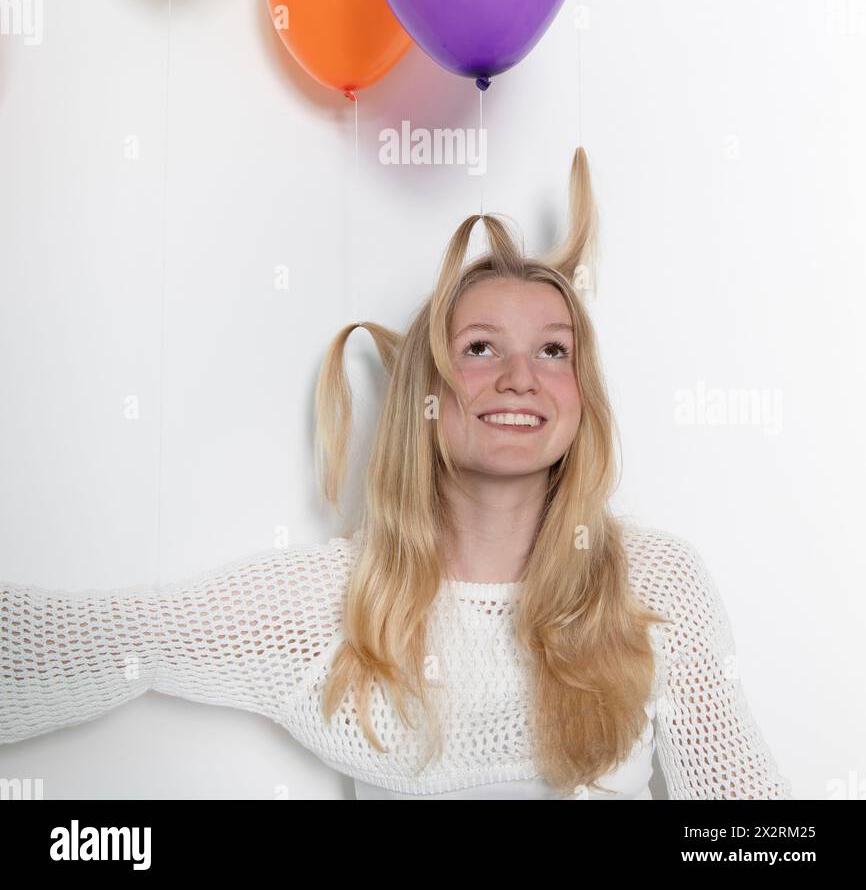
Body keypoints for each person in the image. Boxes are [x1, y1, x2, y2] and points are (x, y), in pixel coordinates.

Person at [0, 148, 791, 800]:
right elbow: (98, 641)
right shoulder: (337, 598)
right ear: (426, 391)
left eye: (553, 351)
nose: (521, 377)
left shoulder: (657, 585)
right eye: (480, 348)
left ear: (582, 397)